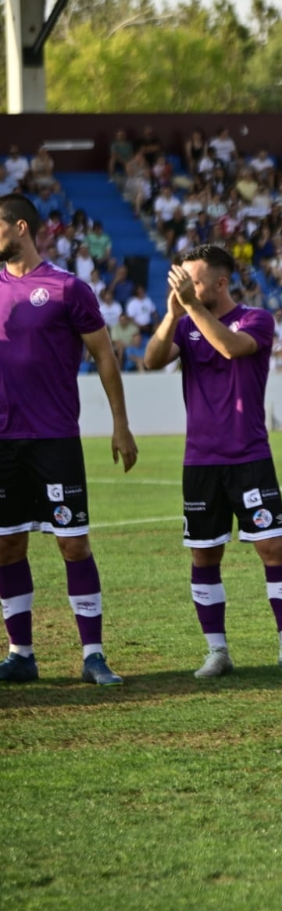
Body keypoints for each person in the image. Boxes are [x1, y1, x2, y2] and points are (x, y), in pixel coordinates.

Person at [142, 245, 282, 679]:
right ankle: (217, 651)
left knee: (273, 549)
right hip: (200, 460)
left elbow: (229, 347)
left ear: (221, 283)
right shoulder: (184, 323)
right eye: (182, 280)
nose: (186, 287)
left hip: (249, 456)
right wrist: (172, 314)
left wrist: (188, 309)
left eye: (194, 280)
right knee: (204, 557)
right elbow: (150, 360)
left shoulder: (256, 319)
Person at [0, 193, 138, 685]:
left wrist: (120, 424)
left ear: (20, 227)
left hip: (54, 437)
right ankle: (21, 655)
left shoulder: (66, 289)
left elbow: (104, 355)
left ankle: (93, 654)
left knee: (73, 544)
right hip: (3, 442)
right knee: (7, 547)